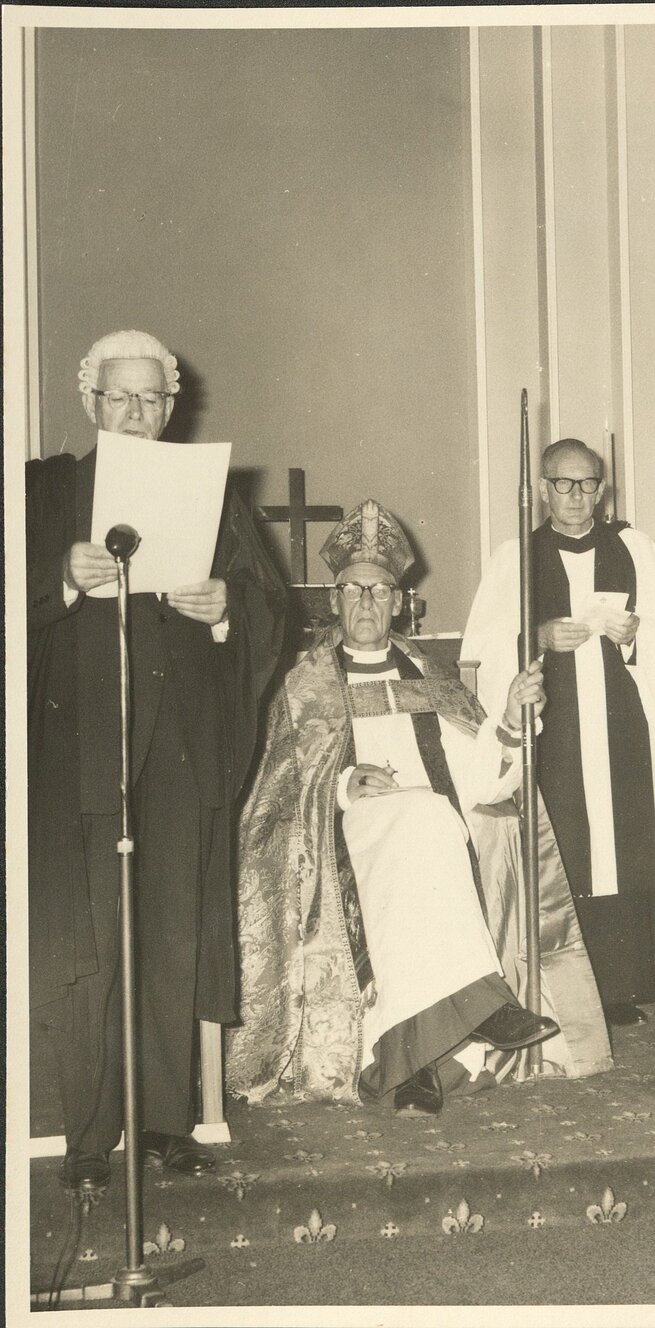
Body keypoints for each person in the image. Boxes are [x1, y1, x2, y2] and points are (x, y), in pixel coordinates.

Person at [227, 498, 612, 1117]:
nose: (366, 603)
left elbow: (484, 782)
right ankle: (485, 1006)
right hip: (339, 839)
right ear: (333, 601)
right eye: (353, 590)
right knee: (426, 819)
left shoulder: (432, 678)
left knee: (428, 823)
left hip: (429, 841)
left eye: (380, 591)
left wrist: (512, 722)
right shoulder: (302, 687)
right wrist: (343, 784)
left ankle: (411, 1066)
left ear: (400, 602)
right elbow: (271, 798)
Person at [27, 329, 286, 1193]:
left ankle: (166, 1123)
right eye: (120, 397)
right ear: (90, 401)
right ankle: (88, 1137)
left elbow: (269, 610)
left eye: (151, 398)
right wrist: (64, 579)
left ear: (171, 408)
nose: (136, 413)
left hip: (179, 746)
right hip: (82, 748)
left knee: (172, 932)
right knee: (93, 943)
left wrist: (224, 609)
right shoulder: (46, 491)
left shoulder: (211, 495)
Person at [462, 439, 655, 1026]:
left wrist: (636, 635)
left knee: (622, 844)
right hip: (553, 729)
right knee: (563, 846)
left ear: (601, 489)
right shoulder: (515, 557)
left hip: (623, 724)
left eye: (587, 484)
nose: (575, 495)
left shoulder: (636, 549)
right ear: (543, 489)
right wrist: (537, 637)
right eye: (563, 484)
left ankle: (618, 986)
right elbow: (482, 649)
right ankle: (560, 987)